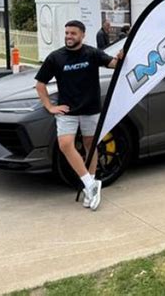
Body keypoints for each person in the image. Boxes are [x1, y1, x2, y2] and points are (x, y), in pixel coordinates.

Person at [35, 20, 123, 211]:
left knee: (90, 146)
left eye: (73, 33)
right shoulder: (56, 57)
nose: (69, 36)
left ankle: (90, 187)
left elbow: (114, 64)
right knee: (65, 144)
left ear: (82, 35)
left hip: (91, 109)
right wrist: (50, 106)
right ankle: (90, 184)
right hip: (67, 111)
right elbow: (40, 84)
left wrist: (120, 57)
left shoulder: (92, 53)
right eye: (67, 33)